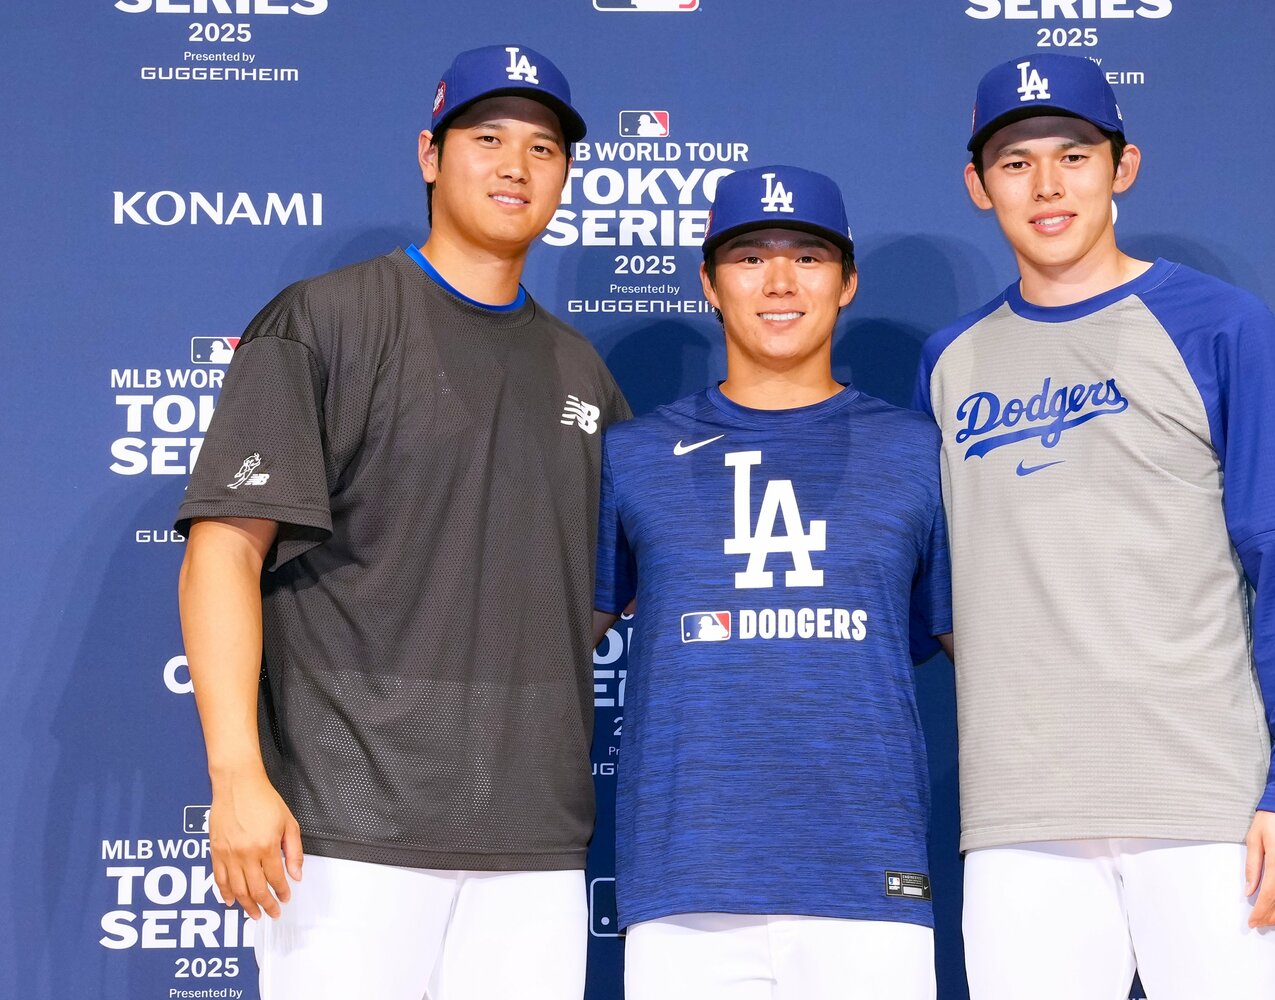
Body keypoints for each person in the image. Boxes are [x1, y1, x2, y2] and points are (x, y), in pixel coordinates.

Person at [175, 43, 628, 1000]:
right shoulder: (325, 322)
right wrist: (236, 777)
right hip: (343, 832)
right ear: (430, 154)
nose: (516, 166)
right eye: (488, 137)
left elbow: (591, 594)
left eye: (543, 148)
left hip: (534, 842)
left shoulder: (582, 373)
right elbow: (223, 552)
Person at [915, 53, 1275, 999]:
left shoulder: (1221, 327)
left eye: (1074, 154)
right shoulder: (951, 361)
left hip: (1204, 806)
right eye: (1017, 163)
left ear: (1124, 165)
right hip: (1019, 819)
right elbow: (943, 588)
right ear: (978, 187)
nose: (1049, 185)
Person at [594, 165, 953, 1000]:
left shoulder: (918, 453)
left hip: (870, 884)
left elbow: (981, 648)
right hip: (687, 888)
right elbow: (548, 643)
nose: (781, 281)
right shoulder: (632, 455)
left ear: (848, 281)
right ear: (710, 284)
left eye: (810, 257)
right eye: (752, 257)